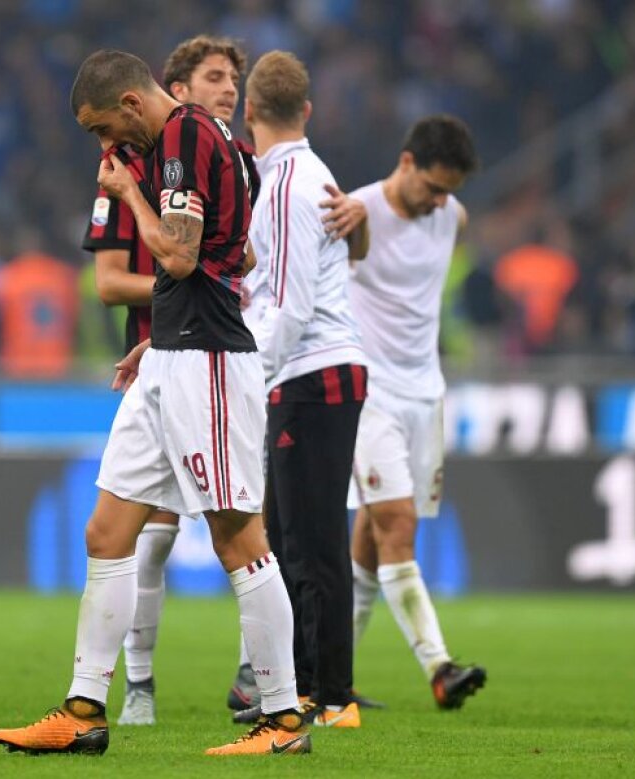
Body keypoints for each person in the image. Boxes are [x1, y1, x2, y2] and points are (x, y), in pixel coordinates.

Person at [0, 49, 307, 757]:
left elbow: (181, 257)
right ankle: (82, 708)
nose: (106, 147)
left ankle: (284, 721)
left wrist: (130, 194)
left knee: (236, 534)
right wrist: (160, 337)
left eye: (105, 128)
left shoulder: (180, 141)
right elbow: (243, 257)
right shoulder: (216, 140)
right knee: (107, 529)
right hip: (172, 353)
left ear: (133, 104)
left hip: (210, 363)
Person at [240, 49, 370, 729]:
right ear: (309, 110)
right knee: (291, 536)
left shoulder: (290, 184)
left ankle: (335, 695)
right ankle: (298, 689)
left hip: (312, 372)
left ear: (249, 111)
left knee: (313, 540)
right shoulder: (299, 178)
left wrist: (245, 374)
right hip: (313, 372)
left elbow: (287, 306)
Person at [346, 115, 487, 709]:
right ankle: (439, 666)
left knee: (374, 539)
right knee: (397, 524)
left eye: (448, 191)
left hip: (425, 395)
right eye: (431, 186)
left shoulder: (451, 217)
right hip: (370, 393)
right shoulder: (354, 213)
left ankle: (328, 675)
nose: (438, 200)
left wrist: (443, 201)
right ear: (406, 163)